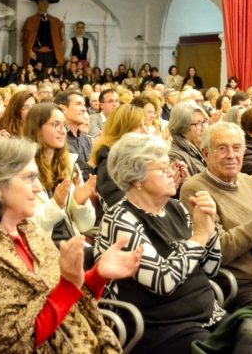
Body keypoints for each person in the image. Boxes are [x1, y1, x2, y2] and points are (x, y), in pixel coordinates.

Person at [0, 137, 142, 352]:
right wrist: (69, 283)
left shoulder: (28, 231)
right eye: (29, 178)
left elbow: (65, 299)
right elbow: (12, 342)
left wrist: (98, 274)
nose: (38, 188)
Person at [94, 133, 225, 354]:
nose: (171, 173)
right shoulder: (121, 219)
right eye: (162, 169)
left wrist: (209, 230)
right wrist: (199, 237)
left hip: (208, 315)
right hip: (161, 327)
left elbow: (211, 268)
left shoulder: (176, 208)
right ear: (137, 179)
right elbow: (162, 281)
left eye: (170, 166)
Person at [180, 122, 252, 311]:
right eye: (222, 148)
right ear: (205, 154)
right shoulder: (195, 189)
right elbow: (218, 251)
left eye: (236, 148)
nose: (231, 155)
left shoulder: (249, 182)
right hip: (242, 287)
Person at [22, 103, 96, 242]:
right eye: (56, 124)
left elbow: (86, 225)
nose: (63, 131)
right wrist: (55, 204)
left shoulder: (70, 164)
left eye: (64, 125)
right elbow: (26, 229)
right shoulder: (22, 170)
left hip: (71, 242)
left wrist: (80, 203)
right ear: (36, 129)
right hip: (41, 250)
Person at [91, 105, 148, 218]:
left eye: (145, 124)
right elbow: (124, 212)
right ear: (123, 131)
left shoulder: (133, 159)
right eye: (139, 126)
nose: (145, 131)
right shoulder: (109, 166)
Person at [54, 89, 93, 181]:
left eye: (84, 105)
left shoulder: (86, 139)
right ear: (63, 109)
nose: (84, 109)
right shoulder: (58, 140)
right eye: (79, 104)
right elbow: (74, 177)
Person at [21, 0, 64, 68]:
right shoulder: (30, 20)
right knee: (35, 76)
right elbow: (25, 41)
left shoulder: (56, 21)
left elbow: (58, 42)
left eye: (46, 2)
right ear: (37, 3)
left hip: (51, 55)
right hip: (36, 54)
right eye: (41, 1)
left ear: (48, 4)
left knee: (50, 76)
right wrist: (29, 51)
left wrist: (57, 56)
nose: (44, 4)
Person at [168, 102, 209, 176]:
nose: (204, 128)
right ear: (182, 128)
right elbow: (188, 187)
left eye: (204, 122)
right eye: (198, 123)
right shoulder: (175, 157)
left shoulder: (200, 149)